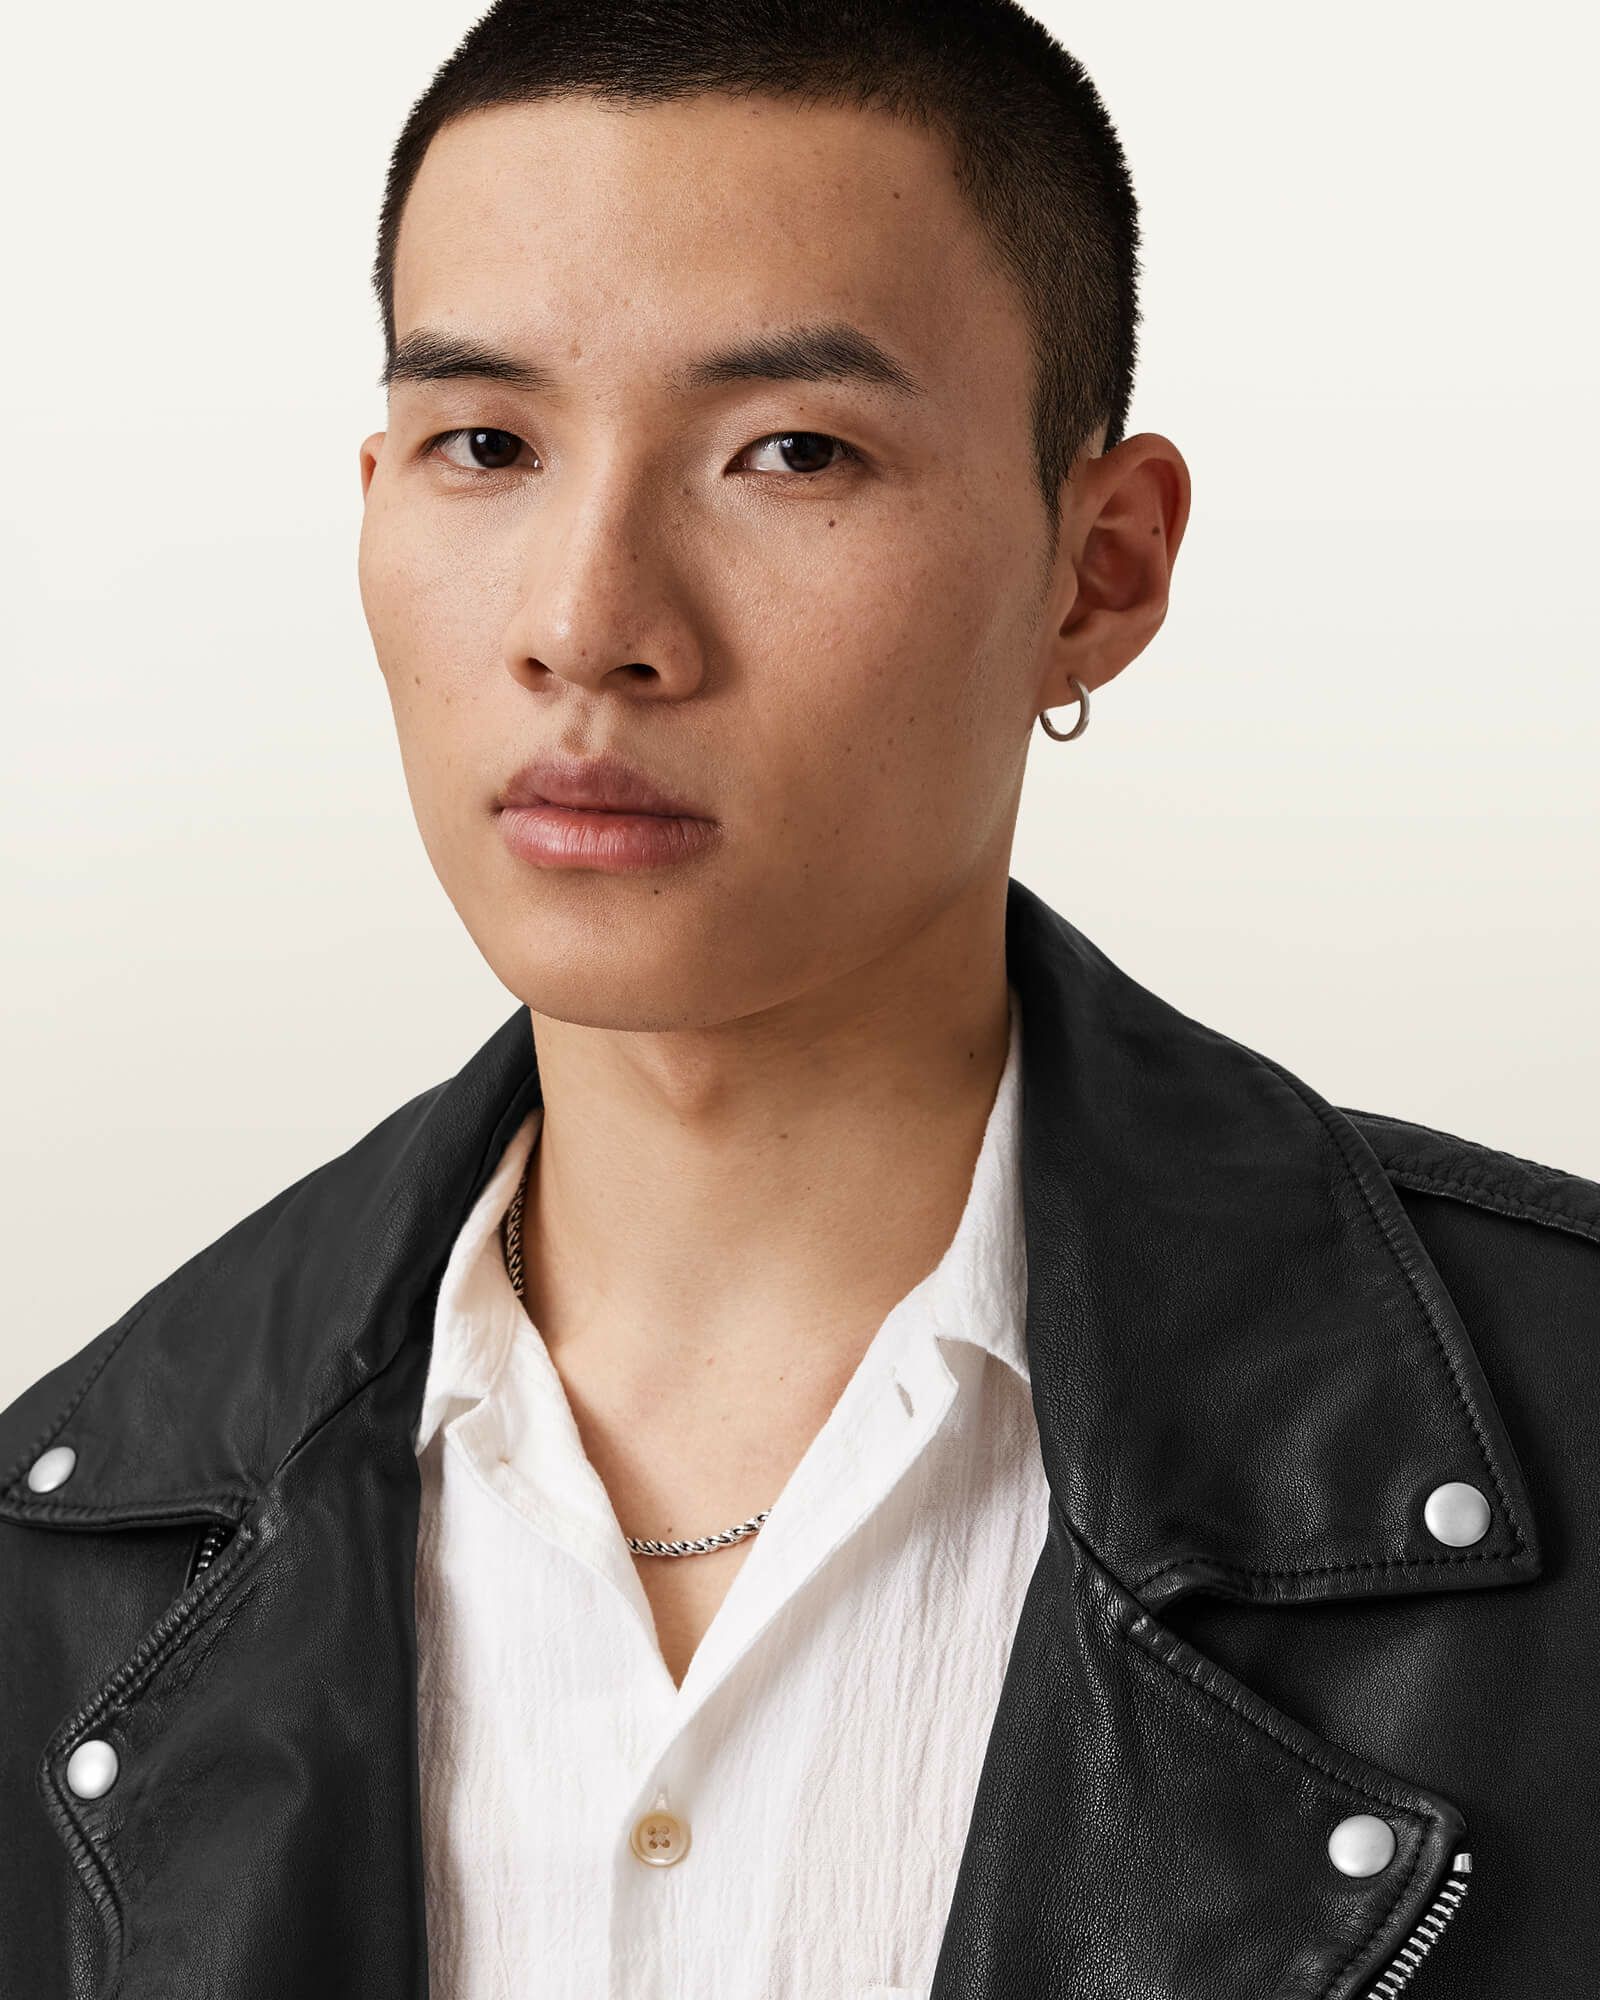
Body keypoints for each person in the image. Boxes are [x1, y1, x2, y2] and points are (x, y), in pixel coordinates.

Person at [2, 1, 1595, 1994]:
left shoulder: (1556, 1421)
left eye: (792, 451)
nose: (587, 622)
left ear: (1097, 569)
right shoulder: (74, 1563)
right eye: (485, 445)